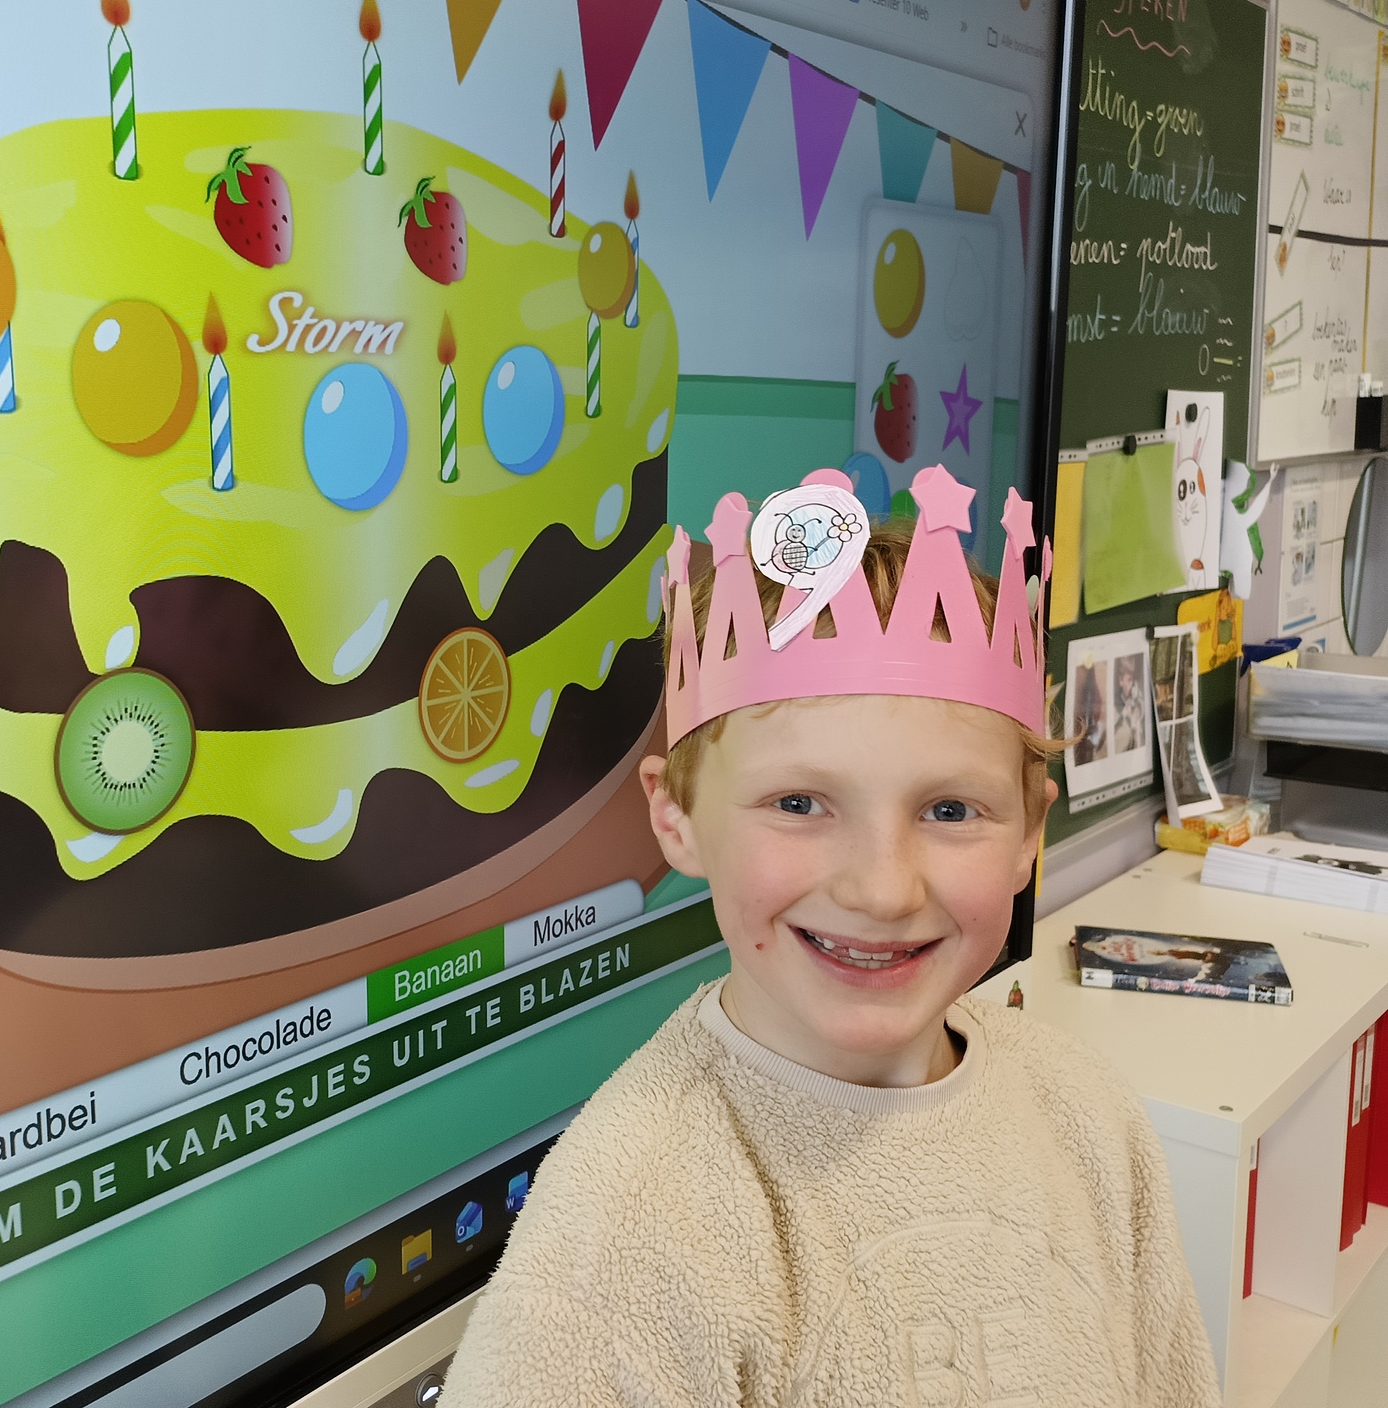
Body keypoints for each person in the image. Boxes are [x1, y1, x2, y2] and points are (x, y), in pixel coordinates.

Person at [442, 467, 1218, 1407]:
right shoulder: (620, 1238)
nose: (882, 890)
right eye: (800, 804)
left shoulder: (1087, 1114)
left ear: (1029, 834)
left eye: (950, 810)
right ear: (676, 818)